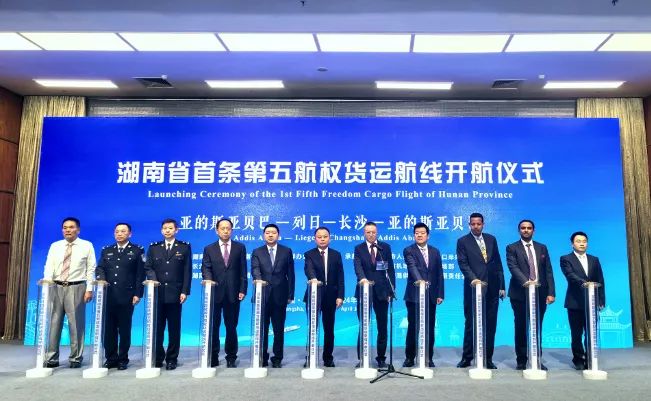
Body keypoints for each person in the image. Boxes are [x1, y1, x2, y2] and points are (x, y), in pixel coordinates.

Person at [43, 217, 96, 368]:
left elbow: (91, 269)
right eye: (65, 227)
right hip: (56, 287)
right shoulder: (55, 246)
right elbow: (49, 265)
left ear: (78, 230)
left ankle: (75, 358)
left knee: (76, 324)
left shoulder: (86, 245)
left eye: (71, 227)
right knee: (54, 323)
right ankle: (51, 357)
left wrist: (89, 289)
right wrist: (47, 284)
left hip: (76, 287)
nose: (68, 230)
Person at [456, 212, 505, 369]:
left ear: (483, 224)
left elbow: (498, 263)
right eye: (473, 224)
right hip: (473, 288)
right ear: (469, 225)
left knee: (490, 324)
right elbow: (463, 263)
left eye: (479, 224)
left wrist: (502, 285)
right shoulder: (462, 241)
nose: (476, 226)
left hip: (492, 288)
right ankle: (467, 357)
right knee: (471, 323)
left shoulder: (491, 239)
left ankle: (487, 358)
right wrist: (473, 279)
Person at [505, 219, 555, 371]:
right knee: (521, 327)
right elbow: (513, 267)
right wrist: (527, 282)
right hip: (519, 293)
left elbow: (548, 270)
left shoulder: (542, 247)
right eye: (523, 228)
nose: (526, 230)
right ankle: (521, 360)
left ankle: (536, 359)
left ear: (533, 230)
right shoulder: (512, 247)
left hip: (540, 293)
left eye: (529, 228)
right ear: (519, 230)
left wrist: (551, 292)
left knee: (537, 326)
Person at [96, 222, 145, 370]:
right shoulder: (107, 250)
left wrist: (138, 293)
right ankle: (111, 358)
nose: (119, 234)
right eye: (117, 231)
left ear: (130, 234)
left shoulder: (137, 250)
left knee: (124, 329)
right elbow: (100, 268)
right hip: (109, 295)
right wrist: (101, 279)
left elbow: (140, 274)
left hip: (127, 295)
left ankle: (123, 358)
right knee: (109, 329)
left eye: (123, 231)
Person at [144, 218, 191, 370]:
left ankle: (172, 358)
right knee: (157, 327)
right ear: (161, 230)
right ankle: (158, 357)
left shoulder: (184, 247)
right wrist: (154, 280)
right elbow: (148, 267)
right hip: (157, 293)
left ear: (176, 230)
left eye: (170, 228)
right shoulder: (154, 248)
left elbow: (187, 271)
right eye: (165, 228)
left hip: (175, 293)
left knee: (174, 328)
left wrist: (184, 291)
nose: (167, 230)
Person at [201, 218, 247, 368]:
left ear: (231, 230)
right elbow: (206, 268)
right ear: (217, 231)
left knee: (231, 326)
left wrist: (242, 289)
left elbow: (243, 270)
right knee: (214, 326)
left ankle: (231, 357)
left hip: (233, 293)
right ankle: (213, 356)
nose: (225, 231)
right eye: (222, 228)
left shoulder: (240, 247)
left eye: (228, 228)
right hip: (215, 293)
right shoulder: (209, 249)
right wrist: (209, 281)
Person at [251, 223, 295, 368]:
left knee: (278, 329)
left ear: (278, 235)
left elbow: (291, 274)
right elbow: (255, 269)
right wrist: (258, 281)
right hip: (262, 296)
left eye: (273, 232)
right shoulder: (257, 252)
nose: (270, 235)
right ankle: (262, 357)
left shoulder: (286, 251)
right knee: (262, 329)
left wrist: (290, 294)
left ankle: (277, 358)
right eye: (268, 232)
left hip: (280, 296)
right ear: (263, 235)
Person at [560, 231, 606, 370]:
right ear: (572, 244)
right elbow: (570, 275)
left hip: (591, 302)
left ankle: (590, 357)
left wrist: (601, 299)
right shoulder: (566, 258)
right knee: (576, 334)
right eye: (578, 241)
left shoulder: (594, 259)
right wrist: (585, 283)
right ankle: (578, 359)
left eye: (584, 241)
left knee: (591, 332)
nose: (582, 244)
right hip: (575, 302)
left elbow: (600, 280)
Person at [353, 221, 395, 368]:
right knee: (363, 325)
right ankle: (362, 358)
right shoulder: (358, 248)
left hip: (382, 292)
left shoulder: (385, 247)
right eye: (368, 232)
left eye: (373, 232)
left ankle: (381, 358)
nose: (371, 235)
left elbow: (390, 270)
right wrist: (362, 279)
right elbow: (358, 266)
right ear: (364, 233)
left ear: (377, 233)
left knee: (382, 326)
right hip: (364, 291)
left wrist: (391, 290)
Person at [402, 223, 444, 368]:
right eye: (417, 233)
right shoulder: (409, 250)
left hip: (431, 296)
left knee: (429, 328)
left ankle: (428, 357)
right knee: (413, 328)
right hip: (414, 296)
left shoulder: (435, 251)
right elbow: (412, 267)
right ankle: (409, 357)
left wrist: (440, 293)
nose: (419, 235)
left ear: (428, 235)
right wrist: (420, 281)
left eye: (422, 233)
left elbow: (439, 273)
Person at [303, 226, 345, 367]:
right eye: (319, 237)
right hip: (314, 295)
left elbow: (340, 277)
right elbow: (309, 269)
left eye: (325, 236)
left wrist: (340, 296)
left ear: (329, 238)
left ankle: (328, 358)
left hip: (331, 297)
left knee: (329, 329)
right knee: (312, 328)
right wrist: (314, 279)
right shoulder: (309, 254)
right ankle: (310, 357)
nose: (322, 239)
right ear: (315, 239)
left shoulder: (336, 255)